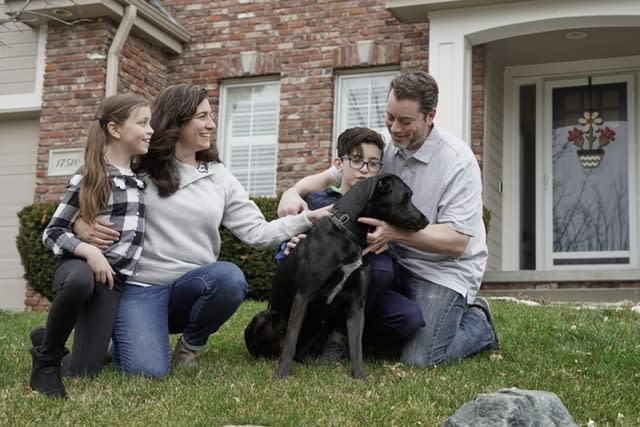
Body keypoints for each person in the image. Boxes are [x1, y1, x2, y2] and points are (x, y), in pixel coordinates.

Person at [74, 84, 328, 378]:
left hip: (193, 289)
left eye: (211, 116)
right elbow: (85, 189)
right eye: (202, 116)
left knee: (230, 278)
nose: (211, 124)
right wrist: (80, 223)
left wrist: (308, 219)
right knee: (147, 371)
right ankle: (112, 341)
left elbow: (258, 233)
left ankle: (189, 346)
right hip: (140, 289)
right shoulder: (138, 164)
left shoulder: (219, 176)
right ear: (177, 120)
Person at [277, 71, 499, 367]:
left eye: (405, 121)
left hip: (442, 271)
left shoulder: (458, 162)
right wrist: (294, 191)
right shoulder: (383, 147)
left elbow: (457, 242)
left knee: (421, 359)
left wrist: (394, 234)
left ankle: (478, 323)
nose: (395, 129)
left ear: (430, 115)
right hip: (392, 262)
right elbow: (334, 174)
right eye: (389, 116)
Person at [31, 94, 152, 398]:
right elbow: (53, 231)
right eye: (143, 123)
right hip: (78, 268)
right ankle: (46, 362)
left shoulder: (139, 180)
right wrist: (90, 251)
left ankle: (47, 339)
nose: (151, 130)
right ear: (115, 129)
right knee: (80, 280)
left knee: (84, 371)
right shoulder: (90, 175)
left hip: (112, 283)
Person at [272, 127, 425, 359]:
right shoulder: (316, 201)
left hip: (361, 295)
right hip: (320, 294)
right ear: (338, 163)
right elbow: (285, 255)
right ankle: (326, 338)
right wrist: (288, 248)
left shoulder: (382, 209)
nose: (364, 170)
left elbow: (393, 262)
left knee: (407, 315)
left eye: (373, 164)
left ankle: (346, 338)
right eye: (356, 160)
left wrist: (387, 241)